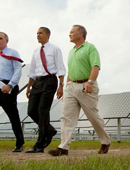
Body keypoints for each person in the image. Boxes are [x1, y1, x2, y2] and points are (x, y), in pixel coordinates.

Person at [48, 25, 111, 156]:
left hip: (86, 86)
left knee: (92, 116)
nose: (69, 34)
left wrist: (91, 82)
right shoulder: (71, 51)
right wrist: (66, 86)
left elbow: (96, 66)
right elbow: (71, 71)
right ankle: (63, 147)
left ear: (81, 34)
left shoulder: (90, 48)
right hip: (71, 87)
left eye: (72, 32)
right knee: (66, 116)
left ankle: (105, 141)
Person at [25, 27, 66, 153]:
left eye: (40, 33)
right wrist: (29, 86)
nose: (38, 35)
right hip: (37, 82)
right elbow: (32, 70)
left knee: (43, 111)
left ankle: (40, 143)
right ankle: (49, 130)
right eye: (37, 33)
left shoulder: (55, 49)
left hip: (50, 81)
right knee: (31, 111)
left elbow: (60, 67)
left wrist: (61, 85)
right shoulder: (36, 51)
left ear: (48, 35)